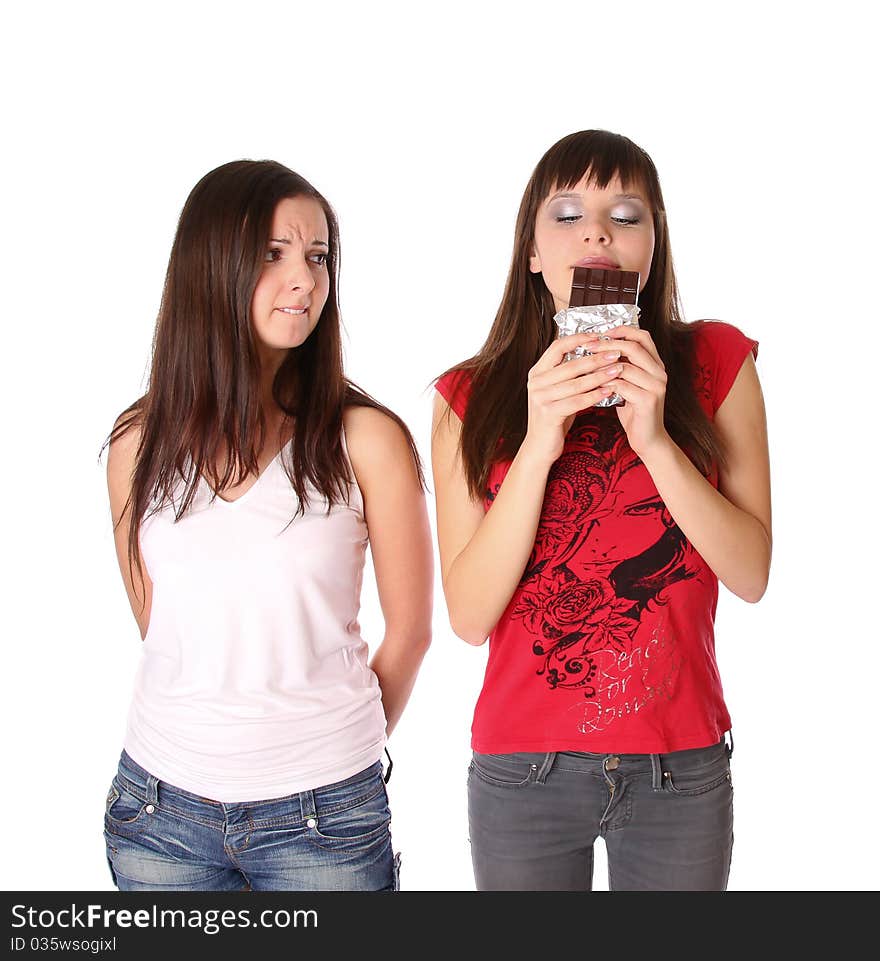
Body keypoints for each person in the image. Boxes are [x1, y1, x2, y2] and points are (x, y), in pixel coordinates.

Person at [431, 130, 771, 891]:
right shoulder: (469, 396)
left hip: (677, 766)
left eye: (626, 213)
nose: (596, 231)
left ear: (651, 249)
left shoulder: (718, 363)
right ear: (531, 252)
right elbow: (467, 614)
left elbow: (751, 574)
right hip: (524, 769)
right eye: (567, 213)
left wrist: (653, 437)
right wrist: (541, 436)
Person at [101, 160, 432, 891]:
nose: (306, 280)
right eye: (273, 254)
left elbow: (410, 632)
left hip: (325, 817)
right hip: (159, 811)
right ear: (211, 266)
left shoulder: (366, 439)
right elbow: (161, 624)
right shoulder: (137, 444)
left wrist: (329, 752)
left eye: (317, 256)